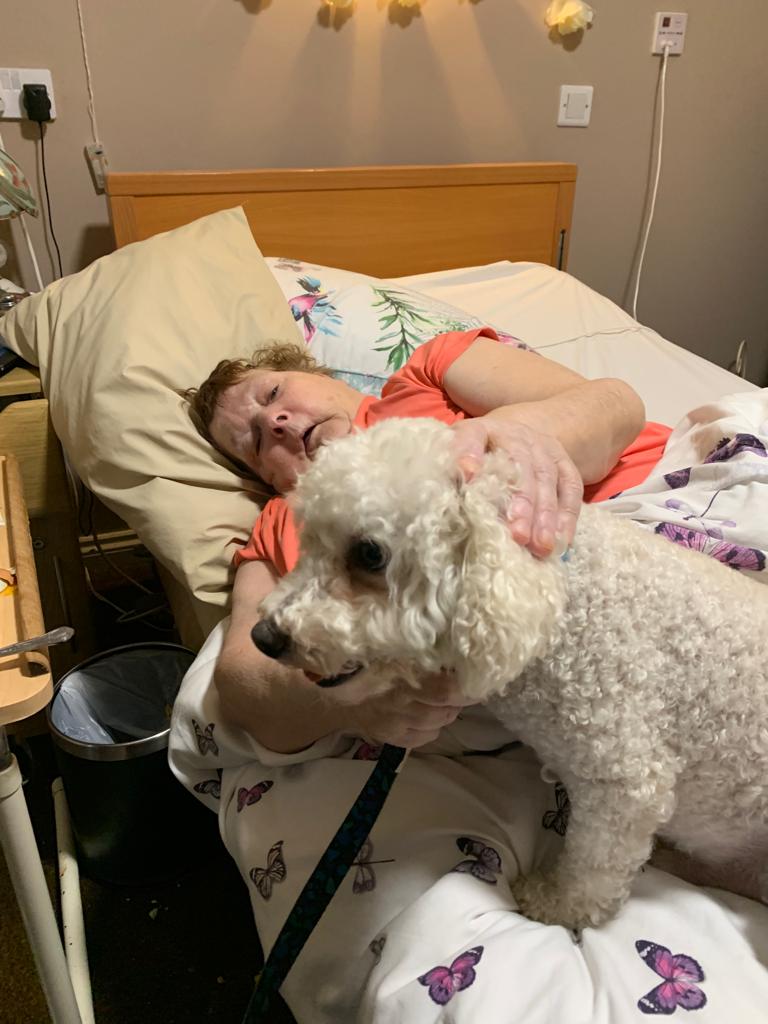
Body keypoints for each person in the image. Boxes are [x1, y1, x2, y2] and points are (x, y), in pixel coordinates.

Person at [184, 326, 667, 754]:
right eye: (255, 441)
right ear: (267, 480)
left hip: (652, 523)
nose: (275, 421)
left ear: (320, 374)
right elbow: (241, 681)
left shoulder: (427, 374)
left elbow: (618, 405)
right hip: (548, 701)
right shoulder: (278, 521)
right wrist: (354, 705)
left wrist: (506, 441)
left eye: (272, 392)